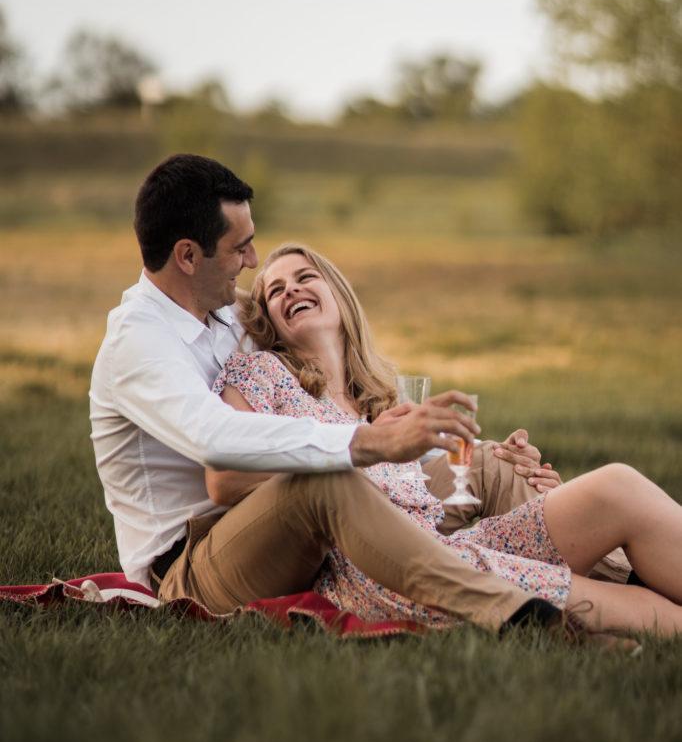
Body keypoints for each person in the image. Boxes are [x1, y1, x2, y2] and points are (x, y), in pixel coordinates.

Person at [90, 153, 584, 639]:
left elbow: (315, 362)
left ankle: (618, 566)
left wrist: (449, 447)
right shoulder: (138, 345)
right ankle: (516, 612)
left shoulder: (225, 307)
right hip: (195, 566)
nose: (252, 262)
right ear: (188, 256)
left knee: (479, 460)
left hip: (282, 516)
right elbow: (214, 439)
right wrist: (368, 440)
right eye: (239, 248)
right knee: (326, 478)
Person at [204, 242, 682, 637]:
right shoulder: (260, 372)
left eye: (305, 278)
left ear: (339, 295)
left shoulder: (380, 405)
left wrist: (508, 459)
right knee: (636, 610)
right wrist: (348, 449)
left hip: (451, 549)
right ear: (269, 320)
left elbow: (452, 478)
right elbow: (226, 475)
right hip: (388, 575)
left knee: (616, 485)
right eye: (275, 291)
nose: (292, 291)